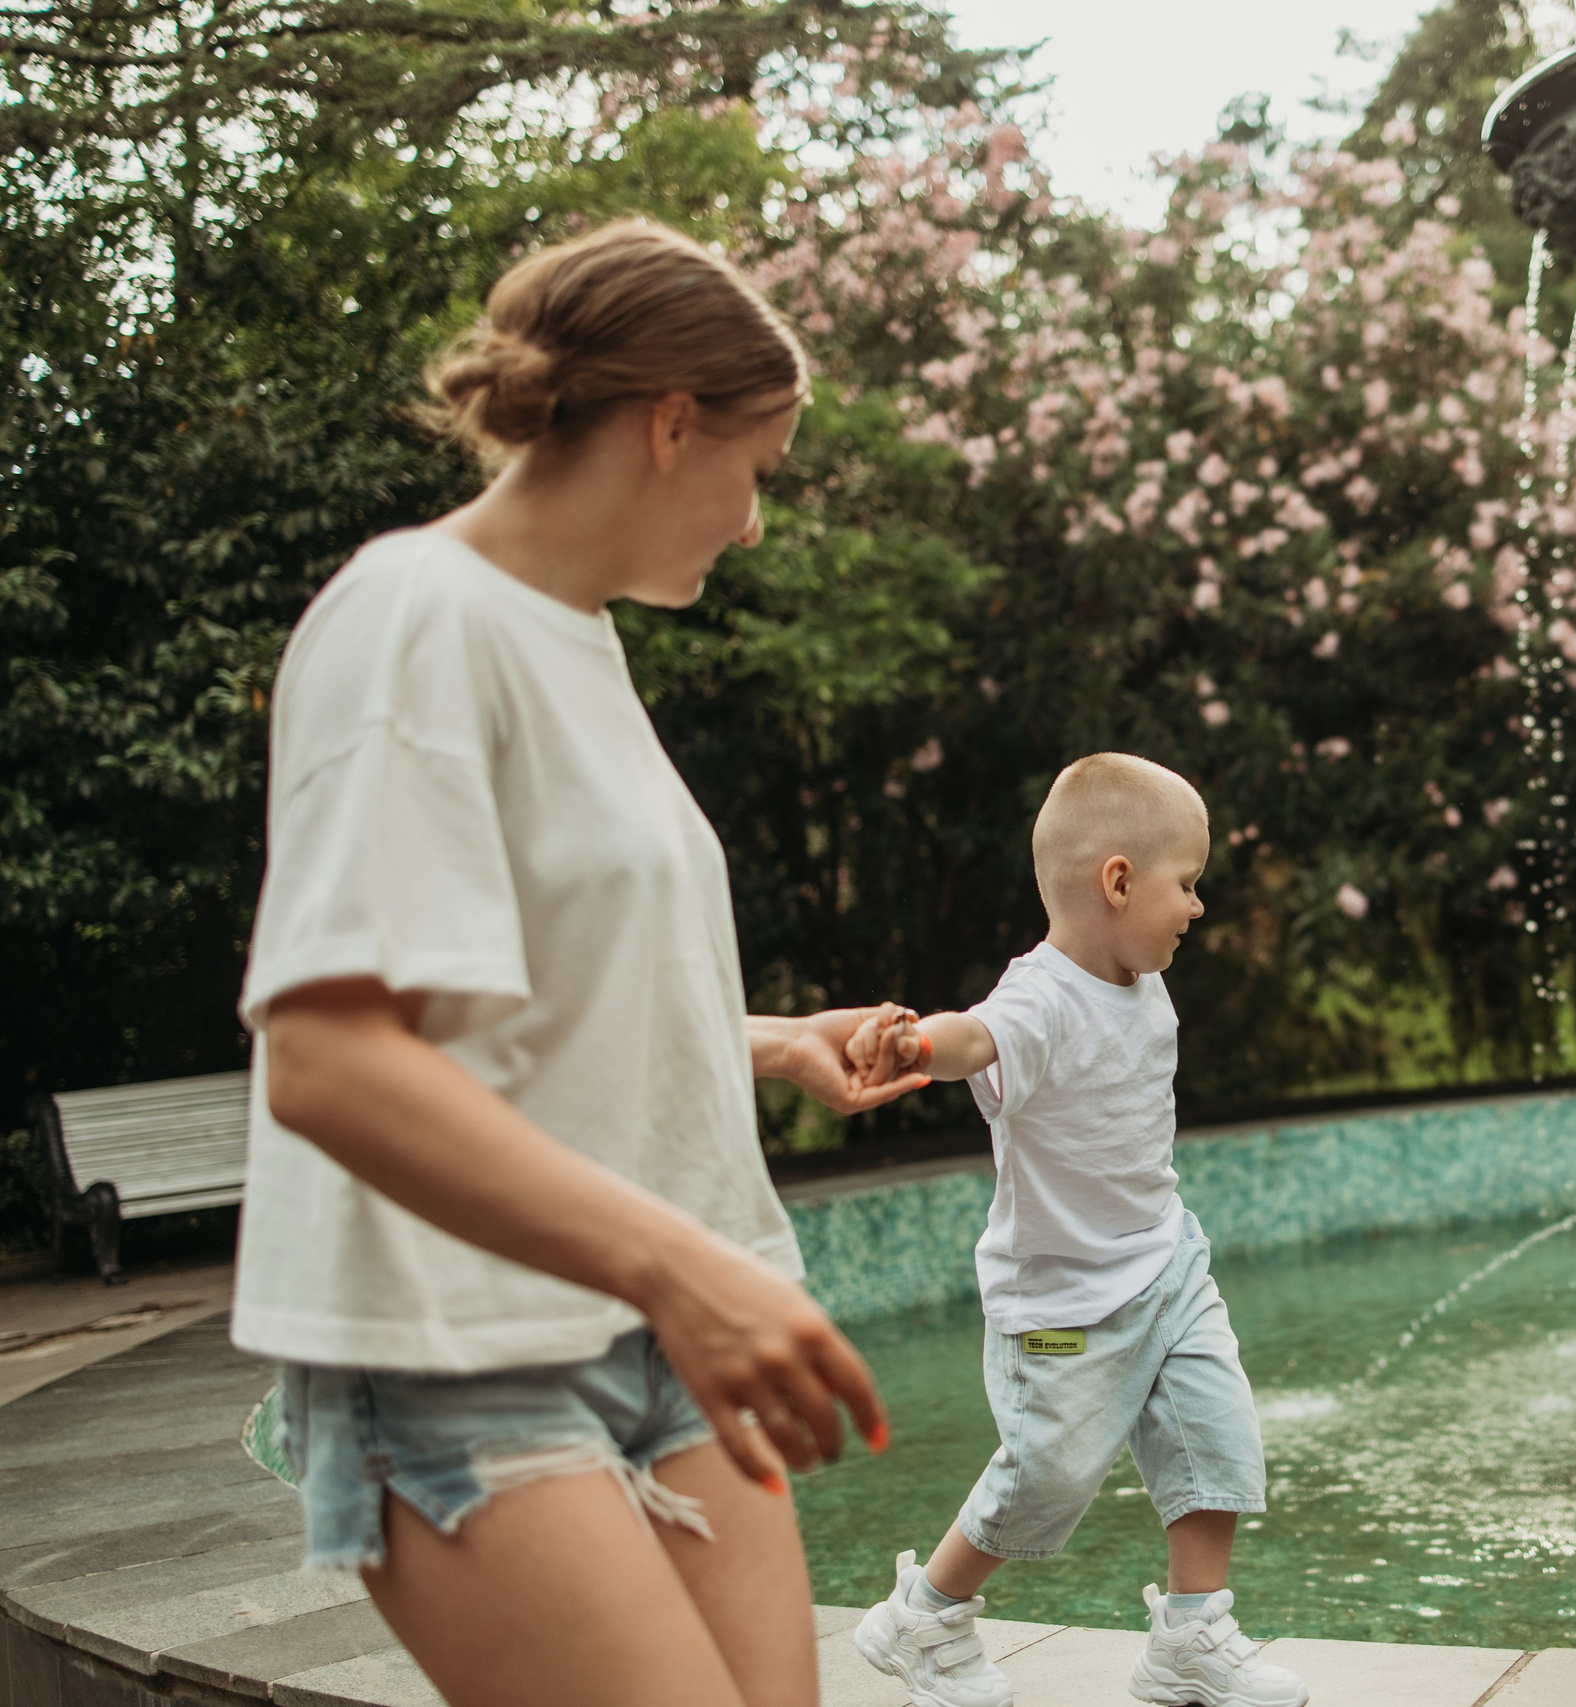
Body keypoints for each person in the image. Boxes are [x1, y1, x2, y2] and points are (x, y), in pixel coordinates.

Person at [235, 217, 930, 1707]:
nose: (754, 522)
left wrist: (759, 1038)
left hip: (663, 1334)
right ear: (672, 426)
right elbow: (329, 1054)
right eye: (759, 468)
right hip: (458, 1339)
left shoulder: (577, 637)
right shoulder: (412, 615)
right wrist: (682, 1268)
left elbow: (506, 992)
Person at [848, 754, 1308, 1707]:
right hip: (1060, 1302)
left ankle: (1191, 1634)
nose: (1198, 906)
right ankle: (921, 1618)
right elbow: (978, 1036)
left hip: (1166, 1266)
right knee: (1047, 1474)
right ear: (1118, 879)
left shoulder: (1144, 984)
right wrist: (916, 1045)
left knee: (1218, 1437)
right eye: (1188, 883)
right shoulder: (1039, 998)